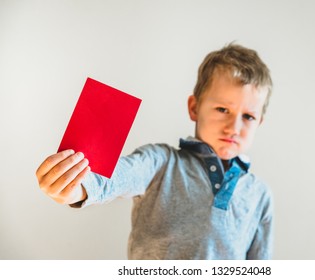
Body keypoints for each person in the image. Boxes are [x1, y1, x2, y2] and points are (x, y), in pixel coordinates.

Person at [36, 43, 274, 260]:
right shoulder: (160, 163)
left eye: (248, 116)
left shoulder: (260, 195)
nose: (234, 127)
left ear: (260, 122)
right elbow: (112, 178)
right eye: (223, 109)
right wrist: (75, 187)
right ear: (194, 107)